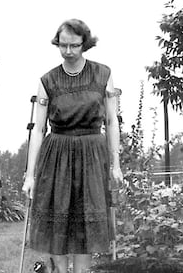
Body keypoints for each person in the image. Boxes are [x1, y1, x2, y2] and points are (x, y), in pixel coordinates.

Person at [22, 18, 123, 273]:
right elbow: (37, 131)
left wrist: (116, 165)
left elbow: (111, 122)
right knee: (58, 223)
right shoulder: (48, 81)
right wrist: (30, 175)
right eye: (63, 45)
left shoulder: (103, 75)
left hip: (92, 154)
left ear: (85, 44)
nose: (68, 52)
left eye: (74, 46)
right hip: (57, 155)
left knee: (85, 225)